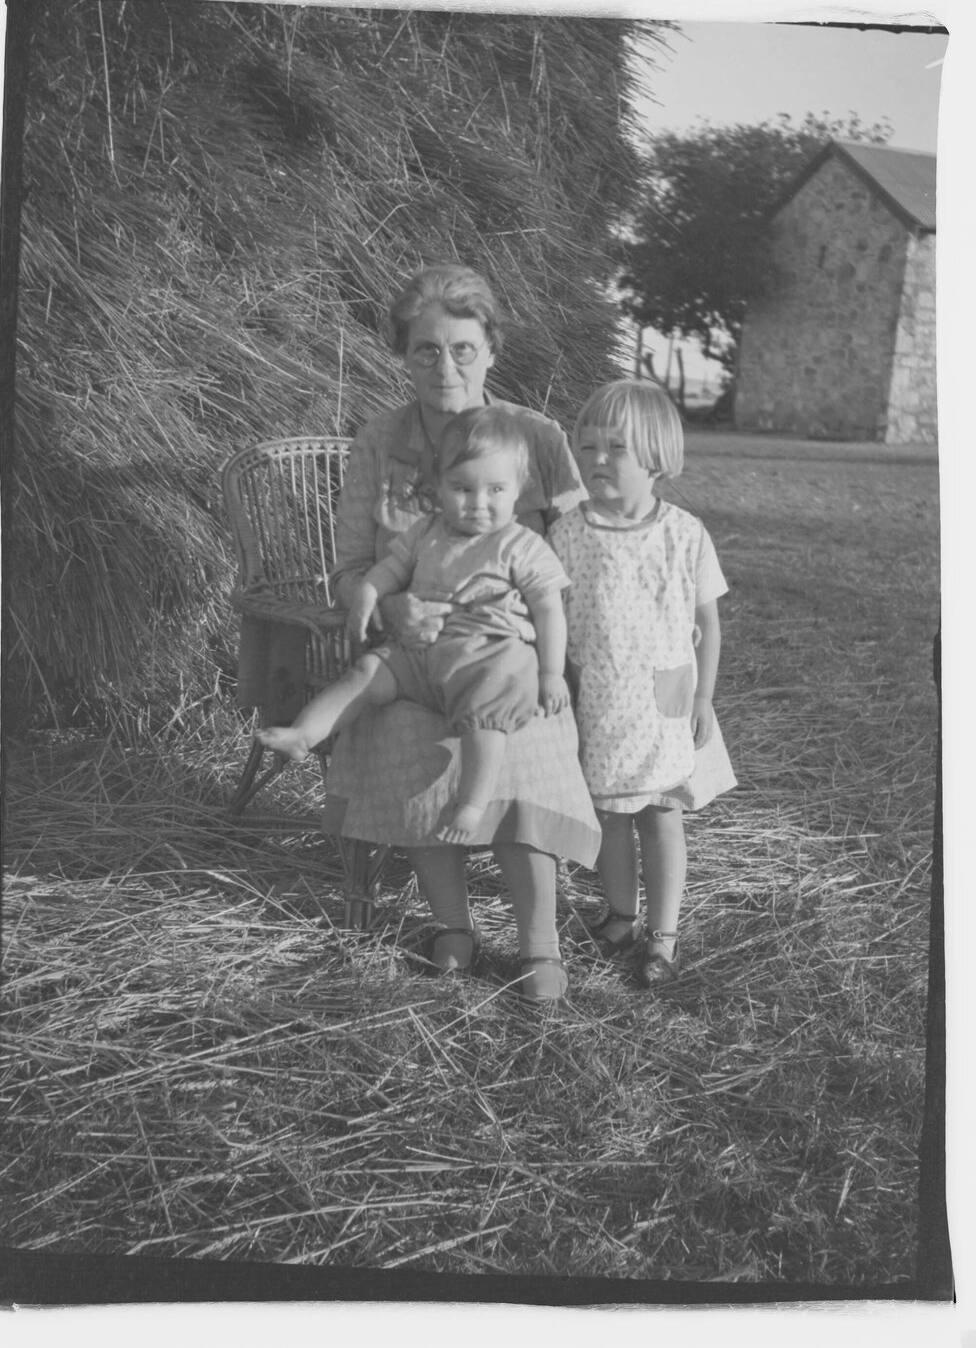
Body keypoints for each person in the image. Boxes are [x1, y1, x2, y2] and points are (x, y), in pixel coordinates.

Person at [318, 264, 600, 1002]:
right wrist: (385, 607)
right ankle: (454, 926)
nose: (445, 367)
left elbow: (582, 564)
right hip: (415, 652)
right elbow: (348, 569)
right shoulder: (380, 438)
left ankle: (539, 946)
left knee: (526, 746)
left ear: (492, 350)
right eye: (425, 351)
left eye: (463, 349)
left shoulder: (536, 437)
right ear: (403, 355)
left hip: (515, 657)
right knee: (409, 735)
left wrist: (564, 669)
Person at [256, 407, 570, 845]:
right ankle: (304, 734)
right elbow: (391, 568)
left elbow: (549, 609)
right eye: (463, 488)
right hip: (422, 656)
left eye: (495, 489)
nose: (479, 503)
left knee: (486, 718)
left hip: (489, 656)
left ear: (519, 489)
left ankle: (471, 805)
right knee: (366, 673)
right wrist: (368, 592)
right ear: (440, 487)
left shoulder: (521, 545)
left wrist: (550, 673)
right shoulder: (428, 532)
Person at [549, 379, 736, 987]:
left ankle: (664, 931)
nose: (597, 460)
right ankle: (622, 914)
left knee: (660, 813)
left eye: (616, 449)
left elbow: (706, 620)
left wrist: (704, 695)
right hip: (599, 700)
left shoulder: (684, 533)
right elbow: (551, 613)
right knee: (608, 814)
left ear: (656, 460)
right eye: (588, 446)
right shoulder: (569, 533)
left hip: (663, 705)